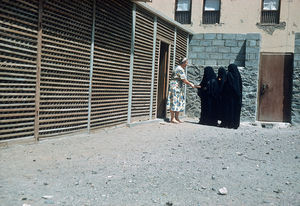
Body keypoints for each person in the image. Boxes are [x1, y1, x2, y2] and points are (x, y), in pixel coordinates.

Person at [166, 57, 198, 123]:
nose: (187, 64)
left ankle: (176, 118)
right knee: (174, 101)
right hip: (175, 86)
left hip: (178, 86)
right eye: (186, 62)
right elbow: (184, 80)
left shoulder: (178, 68)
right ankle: (172, 118)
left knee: (178, 101)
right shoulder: (179, 69)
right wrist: (191, 84)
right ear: (183, 63)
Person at [223, 63, 243, 129]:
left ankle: (230, 124)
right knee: (236, 110)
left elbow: (227, 85)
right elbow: (240, 86)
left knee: (230, 110)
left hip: (230, 96)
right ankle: (235, 124)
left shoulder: (229, 75)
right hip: (237, 97)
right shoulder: (238, 75)